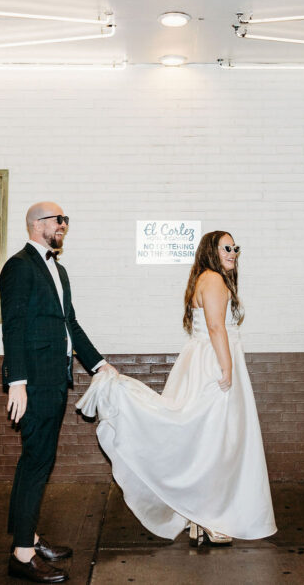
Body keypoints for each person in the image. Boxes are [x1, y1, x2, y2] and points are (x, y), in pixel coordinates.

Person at [76, 230, 276, 547]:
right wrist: (227, 367)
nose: (233, 252)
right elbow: (216, 327)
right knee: (214, 443)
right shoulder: (214, 279)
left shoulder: (205, 279)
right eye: (226, 247)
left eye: (235, 247)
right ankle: (208, 517)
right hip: (214, 364)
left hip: (203, 361)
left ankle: (199, 516)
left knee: (206, 441)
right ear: (211, 250)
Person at [2, 201, 117, 584]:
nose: (64, 224)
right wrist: (17, 382)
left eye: (66, 219)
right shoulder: (19, 267)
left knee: (36, 461)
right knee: (37, 462)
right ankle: (22, 555)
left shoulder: (58, 270)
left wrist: (99, 364)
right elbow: (13, 326)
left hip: (54, 379)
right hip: (34, 382)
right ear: (37, 224)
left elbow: (70, 324)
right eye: (58, 219)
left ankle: (29, 538)